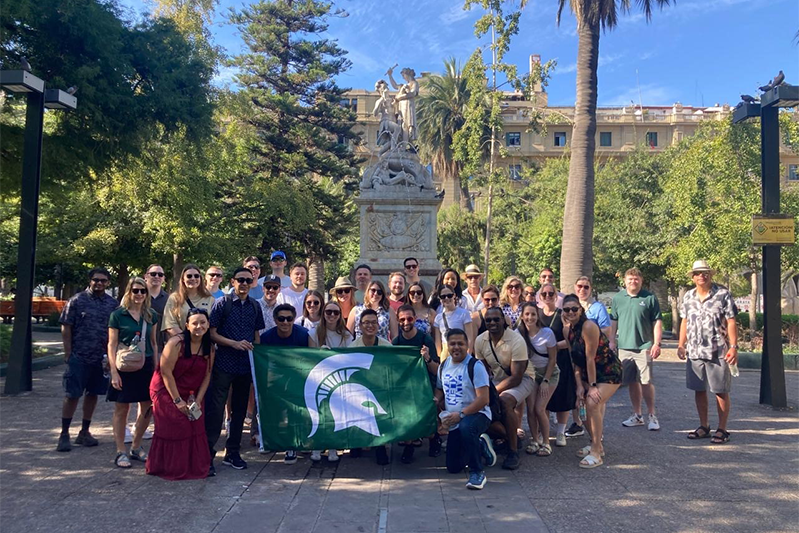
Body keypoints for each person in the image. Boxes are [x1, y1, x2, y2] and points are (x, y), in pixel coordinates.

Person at [206, 267, 265, 475]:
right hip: (224, 363)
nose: (244, 283)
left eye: (248, 280)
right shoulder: (222, 303)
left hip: (244, 366)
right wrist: (233, 344)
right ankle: (208, 454)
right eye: (241, 279)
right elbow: (212, 333)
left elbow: (256, 335)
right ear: (233, 281)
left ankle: (233, 451)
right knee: (216, 409)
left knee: (240, 411)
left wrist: (255, 354)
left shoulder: (255, 306)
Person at [146, 308, 214, 480]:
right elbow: (166, 372)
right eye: (195, 323)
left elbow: (207, 375)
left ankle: (194, 465)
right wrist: (177, 401)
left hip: (191, 391)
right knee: (178, 423)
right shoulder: (176, 343)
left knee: (196, 422)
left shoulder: (209, 347)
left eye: (203, 322)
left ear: (208, 324)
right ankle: (169, 467)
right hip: (166, 389)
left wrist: (198, 400)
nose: (199, 326)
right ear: (187, 326)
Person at [57, 268, 118, 452]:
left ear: (108, 283)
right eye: (96, 280)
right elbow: (66, 327)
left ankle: (84, 431)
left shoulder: (112, 304)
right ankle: (64, 433)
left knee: (93, 394)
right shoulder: (76, 301)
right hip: (79, 356)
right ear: (90, 280)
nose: (99, 283)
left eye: (103, 281)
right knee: (72, 394)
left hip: (100, 358)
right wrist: (68, 352)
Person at [678, 260, 738, 445]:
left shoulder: (723, 295)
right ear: (693, 277)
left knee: (720, 391)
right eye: (698, 273)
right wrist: (681, 344)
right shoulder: (688, 296)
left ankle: (722, 429)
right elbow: (685, 321)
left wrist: (734, 346)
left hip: (718, 350)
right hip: (695, 351)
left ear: (710, 275)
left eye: (705, 273)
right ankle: (704, 426)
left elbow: (731, 321)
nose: (701, 276)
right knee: (699, 390)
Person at [562, 294, 622, 468]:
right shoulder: (567, 331)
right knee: (580, 403)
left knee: (592, 402)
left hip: (608, 371)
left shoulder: (588, 326)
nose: (571, 312)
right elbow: (575, 359)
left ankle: (596, 451)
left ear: (581, 309)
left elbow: (590, 358)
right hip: (587, 373)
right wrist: (579, 385)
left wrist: (593, 387)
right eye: (567, 309)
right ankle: (597, 444)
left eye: (574, 308)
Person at [107, 277, 159, 468]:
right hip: (124, 366)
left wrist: (157, 369)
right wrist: (113, 371)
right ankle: (121, 450)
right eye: (135, 290)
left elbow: (154, 343)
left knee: (146, 407)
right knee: (122, 408)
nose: (139, 294)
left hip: (145, 365)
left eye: (142, 291)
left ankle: (136, 446)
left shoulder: (151, 315)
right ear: (129, 292)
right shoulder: (118, 315)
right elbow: (111, 344)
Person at [435, 328, 496, 490]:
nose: (456, 347)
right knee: (453, 467)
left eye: (460, 344)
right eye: (452, 344)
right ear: (447, 345)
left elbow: (484, 399)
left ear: (467, 345)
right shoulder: (443, 366)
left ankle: (477, 472)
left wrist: (461, 414)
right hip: (455, 419)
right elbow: (440, 390)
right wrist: (435, 400)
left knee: (466, 427)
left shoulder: (475, 366)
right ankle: (480, 444)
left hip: (477, 415)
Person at [473, 306, 533, 470]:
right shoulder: (480, 340)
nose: (492, 322)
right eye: (488, 320)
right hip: (496, 381)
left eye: (496, 319)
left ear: (503, 321)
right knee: (477, 406)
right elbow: (482, 371)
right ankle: (510, 437)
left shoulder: (516, 340)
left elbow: (517, 377)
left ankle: (513, 452)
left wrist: (492, 393)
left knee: (504, 402)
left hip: (522, 379)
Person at [260, 303, 316, 463]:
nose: (285, 322)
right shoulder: (267, 338)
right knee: (272, 408)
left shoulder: (304, 335)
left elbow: (312, 358)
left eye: (289, 318)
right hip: (276, 377)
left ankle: (294, 445)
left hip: (299, 378)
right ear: (275, 320)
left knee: (296, 411)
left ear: (293, 319)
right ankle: (272, 440)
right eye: (281, 319)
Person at [610, 268, 663, 431]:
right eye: (630, 279)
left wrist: (657, 343)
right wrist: (612, 341)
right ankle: (637, 415)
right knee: (632, 381)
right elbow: (614, 321)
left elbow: (657, 322)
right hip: (624, 347)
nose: (633, 281)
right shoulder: (618, 298)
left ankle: (652, 415)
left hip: (644, 347)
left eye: (636, 279)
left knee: (646, 381)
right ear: (624, 281)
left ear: (641, 280)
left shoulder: (649, 298)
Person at [393, 304, 441, 462]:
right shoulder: (396, 342)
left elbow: (436, 370)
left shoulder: (425, 339)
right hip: (405, 387)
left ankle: (434, 440)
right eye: (402, 319)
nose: (406, 322)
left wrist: (427, 358)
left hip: (425, 384)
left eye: (409, 318)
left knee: (428, 417)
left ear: (415, 319)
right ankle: (409, 446)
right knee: (406, 416)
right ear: (397, 321)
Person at [567, 275, 611, 437]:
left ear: (591, 289)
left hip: (596, 359)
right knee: (580, 395)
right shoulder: (569, 307)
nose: (582, 289)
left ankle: (598, 434)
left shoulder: (597, 308)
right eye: (580, 286)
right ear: (575, 287)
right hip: (579, 359)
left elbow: (607, 329)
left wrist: (589, 338)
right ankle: (579, 424)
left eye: (586, 287)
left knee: (596, 398)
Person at [349, 308, 392, 465]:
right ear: (360, 326)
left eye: (374, 323)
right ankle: (357, 443)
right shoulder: (353, 347)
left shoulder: (387, 347)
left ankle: (380, 446)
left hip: (380, 388)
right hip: (358, 388)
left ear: (378, 325)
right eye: (366, 323)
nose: (370, 326)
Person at [517, 302, 559, 456]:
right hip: (530, 374)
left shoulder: (547, 333)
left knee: (540, 408)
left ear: (538, 315)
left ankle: (546, 442)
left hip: (549, 373)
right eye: (527, 314)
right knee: (531, 408)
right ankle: (535, 440)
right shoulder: (518, 333)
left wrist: (546, 381)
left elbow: (553, 359)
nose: (530, 317)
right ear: (522, 316)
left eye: (533, 314)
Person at [539, 283, 578, 445]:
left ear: (556, 296)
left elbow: (570, 338)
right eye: (544, 294)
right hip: (542, 361)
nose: (548, 296)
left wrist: (553, 347)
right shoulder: (537, 314)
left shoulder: (563, 314)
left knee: (563, 398)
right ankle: (544, 431)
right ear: (540, 296)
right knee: (544, 399)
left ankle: (561, 432)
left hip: (561, 359)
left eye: (551, 293)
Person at [162, 264, 215, 340]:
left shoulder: (210, 299)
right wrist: (187, 340)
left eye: (196, 276)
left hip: (204, 344)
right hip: (182, 343)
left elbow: (213, 325)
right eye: (189, 276)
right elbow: (170, 325)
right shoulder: (174, 298)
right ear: (183, 279)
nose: (193, 279)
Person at [433, 285, 474, 360]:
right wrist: (439, 358)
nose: (446, 298)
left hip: (461, 350)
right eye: (443, 296)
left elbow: (469, 337)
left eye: (449, 295)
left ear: (454, 296)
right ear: (440, 299)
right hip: (446, 352)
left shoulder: (464, 313)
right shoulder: (438, 318)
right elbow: (438, 342)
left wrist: (468, 355)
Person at [145, 264, 169, 348]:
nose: (157, 276)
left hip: (161, 345)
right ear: (145, 276)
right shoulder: (137, 296)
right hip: (139, 344)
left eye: (160, 274)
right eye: (153, 274)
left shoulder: (169, 299)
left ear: (163, 278)